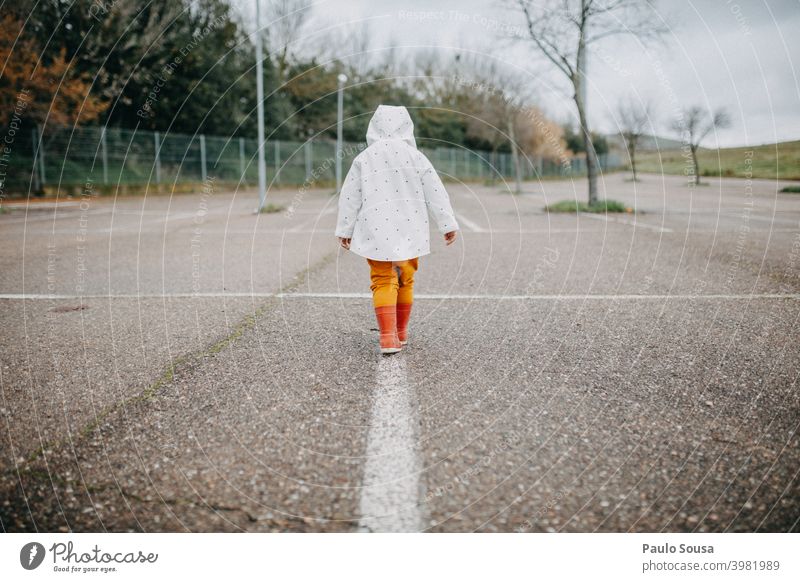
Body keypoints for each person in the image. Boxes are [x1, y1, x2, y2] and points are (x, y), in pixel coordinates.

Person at [335, 105, 459, 354]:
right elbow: (435, 191)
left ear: (374, 127)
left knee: (382, 280)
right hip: (409, 228)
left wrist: (345, 229)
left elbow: (350, 196)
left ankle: (387, 338)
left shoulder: (364, 158)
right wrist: (447, 223)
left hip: (376, 229)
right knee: (406, 280)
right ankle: (401, 333)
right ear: (406, 127)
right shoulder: (416, 157)